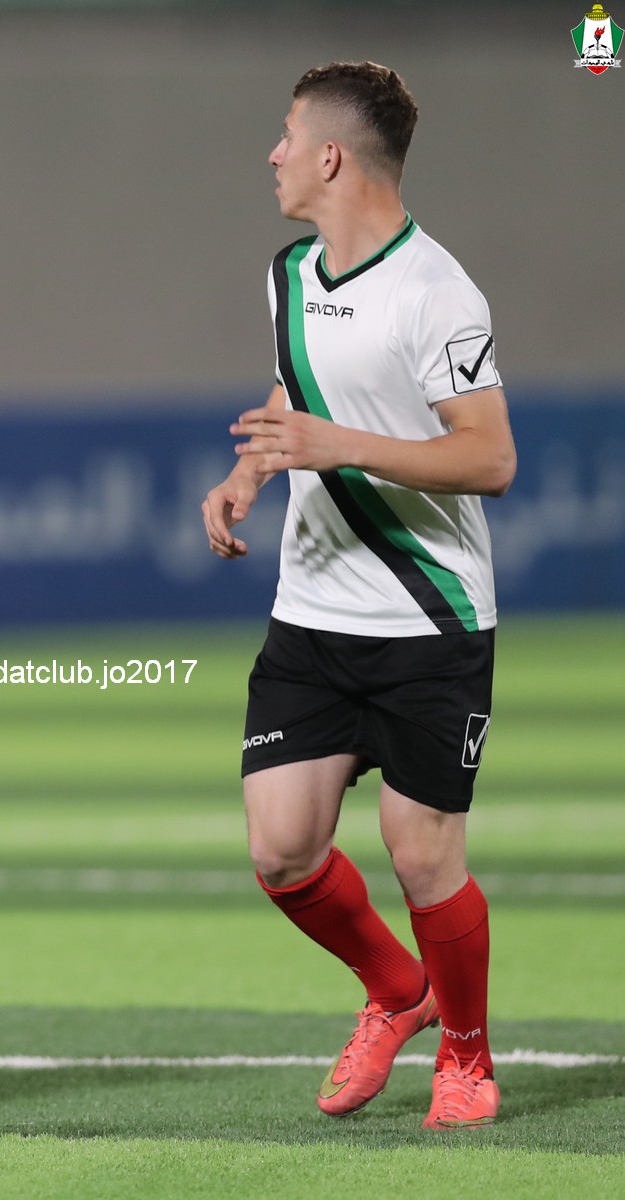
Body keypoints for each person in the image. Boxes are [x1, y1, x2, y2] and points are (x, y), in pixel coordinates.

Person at [201, 62, 515, 1130]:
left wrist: (339, 446)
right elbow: (305, 383)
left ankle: (466, 1058)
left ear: (331, 155)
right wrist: (252, 469)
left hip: (428, 621)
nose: (275, 153)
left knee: (423, 854)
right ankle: (397, 990)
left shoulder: (436, 291)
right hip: (312, 617)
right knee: (281, 849)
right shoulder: (290, 273)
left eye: (289, 135)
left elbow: (490, 457)